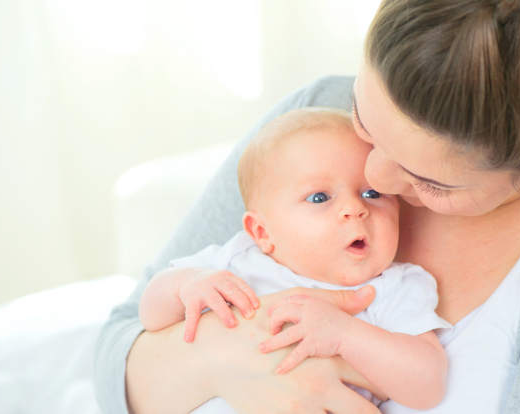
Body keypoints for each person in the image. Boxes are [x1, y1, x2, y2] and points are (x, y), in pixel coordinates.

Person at [95, 1, 520, 413]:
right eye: (364, 120)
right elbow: (119, 348)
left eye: (431, 182)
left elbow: (425, 380)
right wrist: (216, 358)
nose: (373, 179)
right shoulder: (310, 119)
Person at [137, 108, 452, 412]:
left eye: (372, 193)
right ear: (261, 231)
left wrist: (346, 334)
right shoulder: (238, 260)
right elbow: (150, 317)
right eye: (319, 197)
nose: (355, 209)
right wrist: (186, 284)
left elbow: (429, 386)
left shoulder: (395, 288)